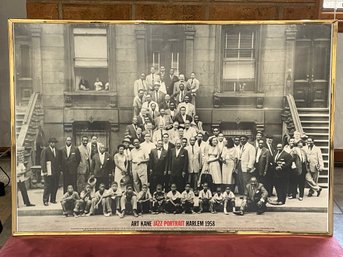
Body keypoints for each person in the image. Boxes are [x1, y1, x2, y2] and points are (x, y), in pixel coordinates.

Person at [41, 137, 61, 206]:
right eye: (52, 142)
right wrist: (44, 171)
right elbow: (43, 161)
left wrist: (59, 170)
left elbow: (59, 161)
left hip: (56, 172)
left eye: (54, 142)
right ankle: (45, 200)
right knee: (48, 186)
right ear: (49, 143)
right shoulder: (45, 150)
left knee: (55, 185)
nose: (53, 144)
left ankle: (53, 199)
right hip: (48, 171)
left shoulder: (57, 151)